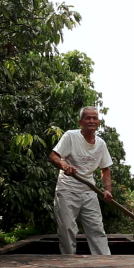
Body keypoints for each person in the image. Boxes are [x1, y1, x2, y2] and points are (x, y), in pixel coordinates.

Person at [48, 106, 114, 255]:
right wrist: (65, 165)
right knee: (67, 228)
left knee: (96, 228)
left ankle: (105, 263)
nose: (92, 121)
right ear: (81, 122)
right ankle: (69, 262)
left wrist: (108, 190)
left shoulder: (101, 144)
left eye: (95, 118)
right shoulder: (71, 136)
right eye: (88, 118)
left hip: (89, 190)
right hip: (67, 189)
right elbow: (53, 156)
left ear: (99, 122)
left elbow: (105, 169)